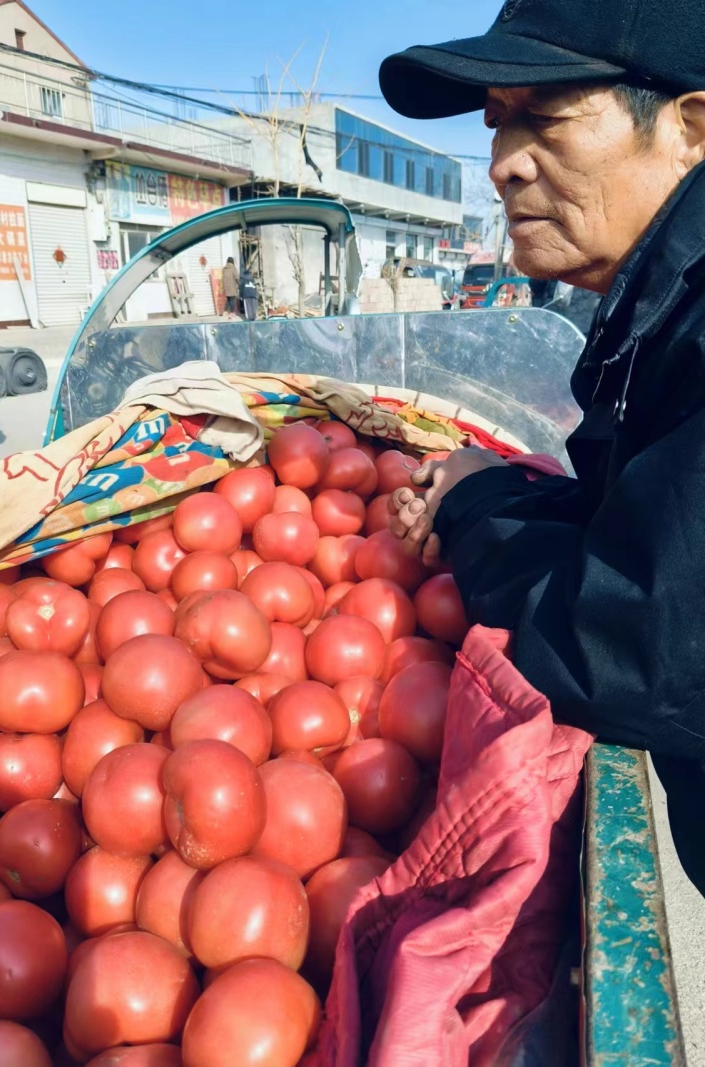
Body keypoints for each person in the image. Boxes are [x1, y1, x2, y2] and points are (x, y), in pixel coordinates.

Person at [380, 0, 705, 896]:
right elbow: (646, 520)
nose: (500, 165)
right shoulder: (658, 309)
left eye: (545, 117)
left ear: (692, 128)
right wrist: (494, 485)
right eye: (496, 122)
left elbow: (630, 645)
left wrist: (477, 506)